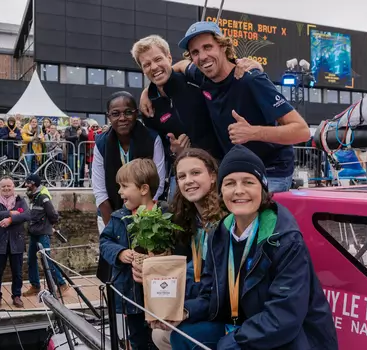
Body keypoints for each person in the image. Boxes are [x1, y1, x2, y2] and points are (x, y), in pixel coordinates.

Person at [167, 145, 337, 349]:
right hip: (242, 327)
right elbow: (210, 294)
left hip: (290, 337)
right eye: (230, 183)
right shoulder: (219, 234)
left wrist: (234, 341)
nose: (239, 191)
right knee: (183, 337)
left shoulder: (285, 239)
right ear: (220, 190)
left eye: (248, 182)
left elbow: (284, 316)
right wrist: (184, 311)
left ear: (263, 189)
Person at [142, 22, 311, 193]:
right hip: (235, 171)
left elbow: (301, 131)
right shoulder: (202, 74)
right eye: (195, 52)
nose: (202, 56)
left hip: (270, 172)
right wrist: (148, 91)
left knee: (251, 217)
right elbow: (177, 67)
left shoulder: (250, 79)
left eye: (208, 47)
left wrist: (253, 132)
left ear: (223, 46)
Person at [132, 36, 263, 199]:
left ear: (170, 58)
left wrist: (253, 67)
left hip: (218, 167)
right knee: (178, 218)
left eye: (158, 59)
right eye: (146, 65)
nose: (154, 67)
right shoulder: (149, 107)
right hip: (184, 173)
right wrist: (175, 152)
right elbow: (160, 148)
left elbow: (224, 75)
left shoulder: (194, 80)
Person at [145, 148, 227, 350]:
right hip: (207, 299)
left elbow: (217, 283)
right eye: (182, 176)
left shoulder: (225, 220)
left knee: (174, 336)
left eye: (196, 173)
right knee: (159, 333)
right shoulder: (191, 220)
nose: (188, 180)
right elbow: (191, 271)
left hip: (227, 310)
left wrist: (185, 310)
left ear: (213, 176)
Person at [92, 91, 166, 282]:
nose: (122, 118)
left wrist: (143, 219)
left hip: (147, 213)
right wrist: (116, 224)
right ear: (108, 117)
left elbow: (157, 183)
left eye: (128, 112)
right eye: (115, 114)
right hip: (112, 212)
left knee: (145, 266)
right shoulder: (101, 143)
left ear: (136, 113)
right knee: (117, 264)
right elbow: (100, 191)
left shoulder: (152, 139)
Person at [100, 158, 161, 350]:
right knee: (137, 338)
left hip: (158, 294)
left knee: (161, 336)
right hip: (131, 294)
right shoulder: (119, 217)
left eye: (124, 186)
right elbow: (104, 242)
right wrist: (119, 253)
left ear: (143, 189)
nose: (119, 192)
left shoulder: (165, 213)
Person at [22, 174, 69, 297]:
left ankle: (61, 284)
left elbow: (53, 215)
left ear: (34, 184)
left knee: (47, 260)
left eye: (28, 183)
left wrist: (47, 226)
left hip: (42, 234)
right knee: (31, 259)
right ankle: (35, 285)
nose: (26, 185)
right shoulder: (32, 197)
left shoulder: (43, 197)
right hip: (34, 233)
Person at [0, 176, 31, 310]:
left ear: (13, 187)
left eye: (9, 186)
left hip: (16, 241)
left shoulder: (20, 200)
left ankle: (16, 296)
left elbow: (27, 215)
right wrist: (11, 213)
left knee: (17, 272)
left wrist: (10, 220)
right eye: (3, 186)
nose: (6, 188)